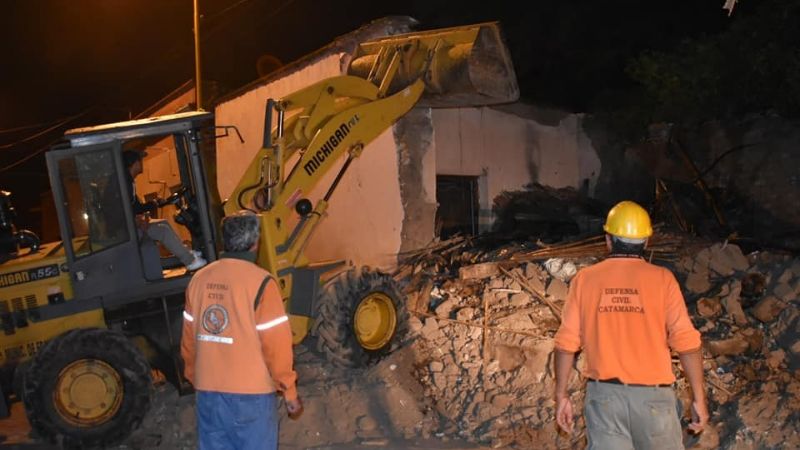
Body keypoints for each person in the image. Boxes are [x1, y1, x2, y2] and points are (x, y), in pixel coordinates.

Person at [553, 200, 708, 449]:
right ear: (646, 242)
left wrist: (561, 395)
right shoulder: (663, 280)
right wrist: (699, 398)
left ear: (608, 239)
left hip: (605, 401)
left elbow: (565, 344)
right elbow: (687, 343)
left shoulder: (585, 280)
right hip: (654, 402)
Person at [180, 210, 302, 450]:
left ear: (224, 241)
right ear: (256, 243)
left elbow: (188, 341)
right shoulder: (262, 283)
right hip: (251, 398)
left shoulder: (199, 280)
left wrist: (195, 376)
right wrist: (289, 391)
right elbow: (276, 346)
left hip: (208, 394)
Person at [122, 149, 206, 271]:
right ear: (135, 163)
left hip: (131, 224)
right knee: (163, 231)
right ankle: (190, 261)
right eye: (140, 161)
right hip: (128, 229)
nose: (142, 163)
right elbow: (131, 208)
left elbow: (134, 206)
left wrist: (153, 204)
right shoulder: (126, 182)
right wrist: (143, 215)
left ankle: (185, 252)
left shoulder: (128, 180)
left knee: (163, 222)